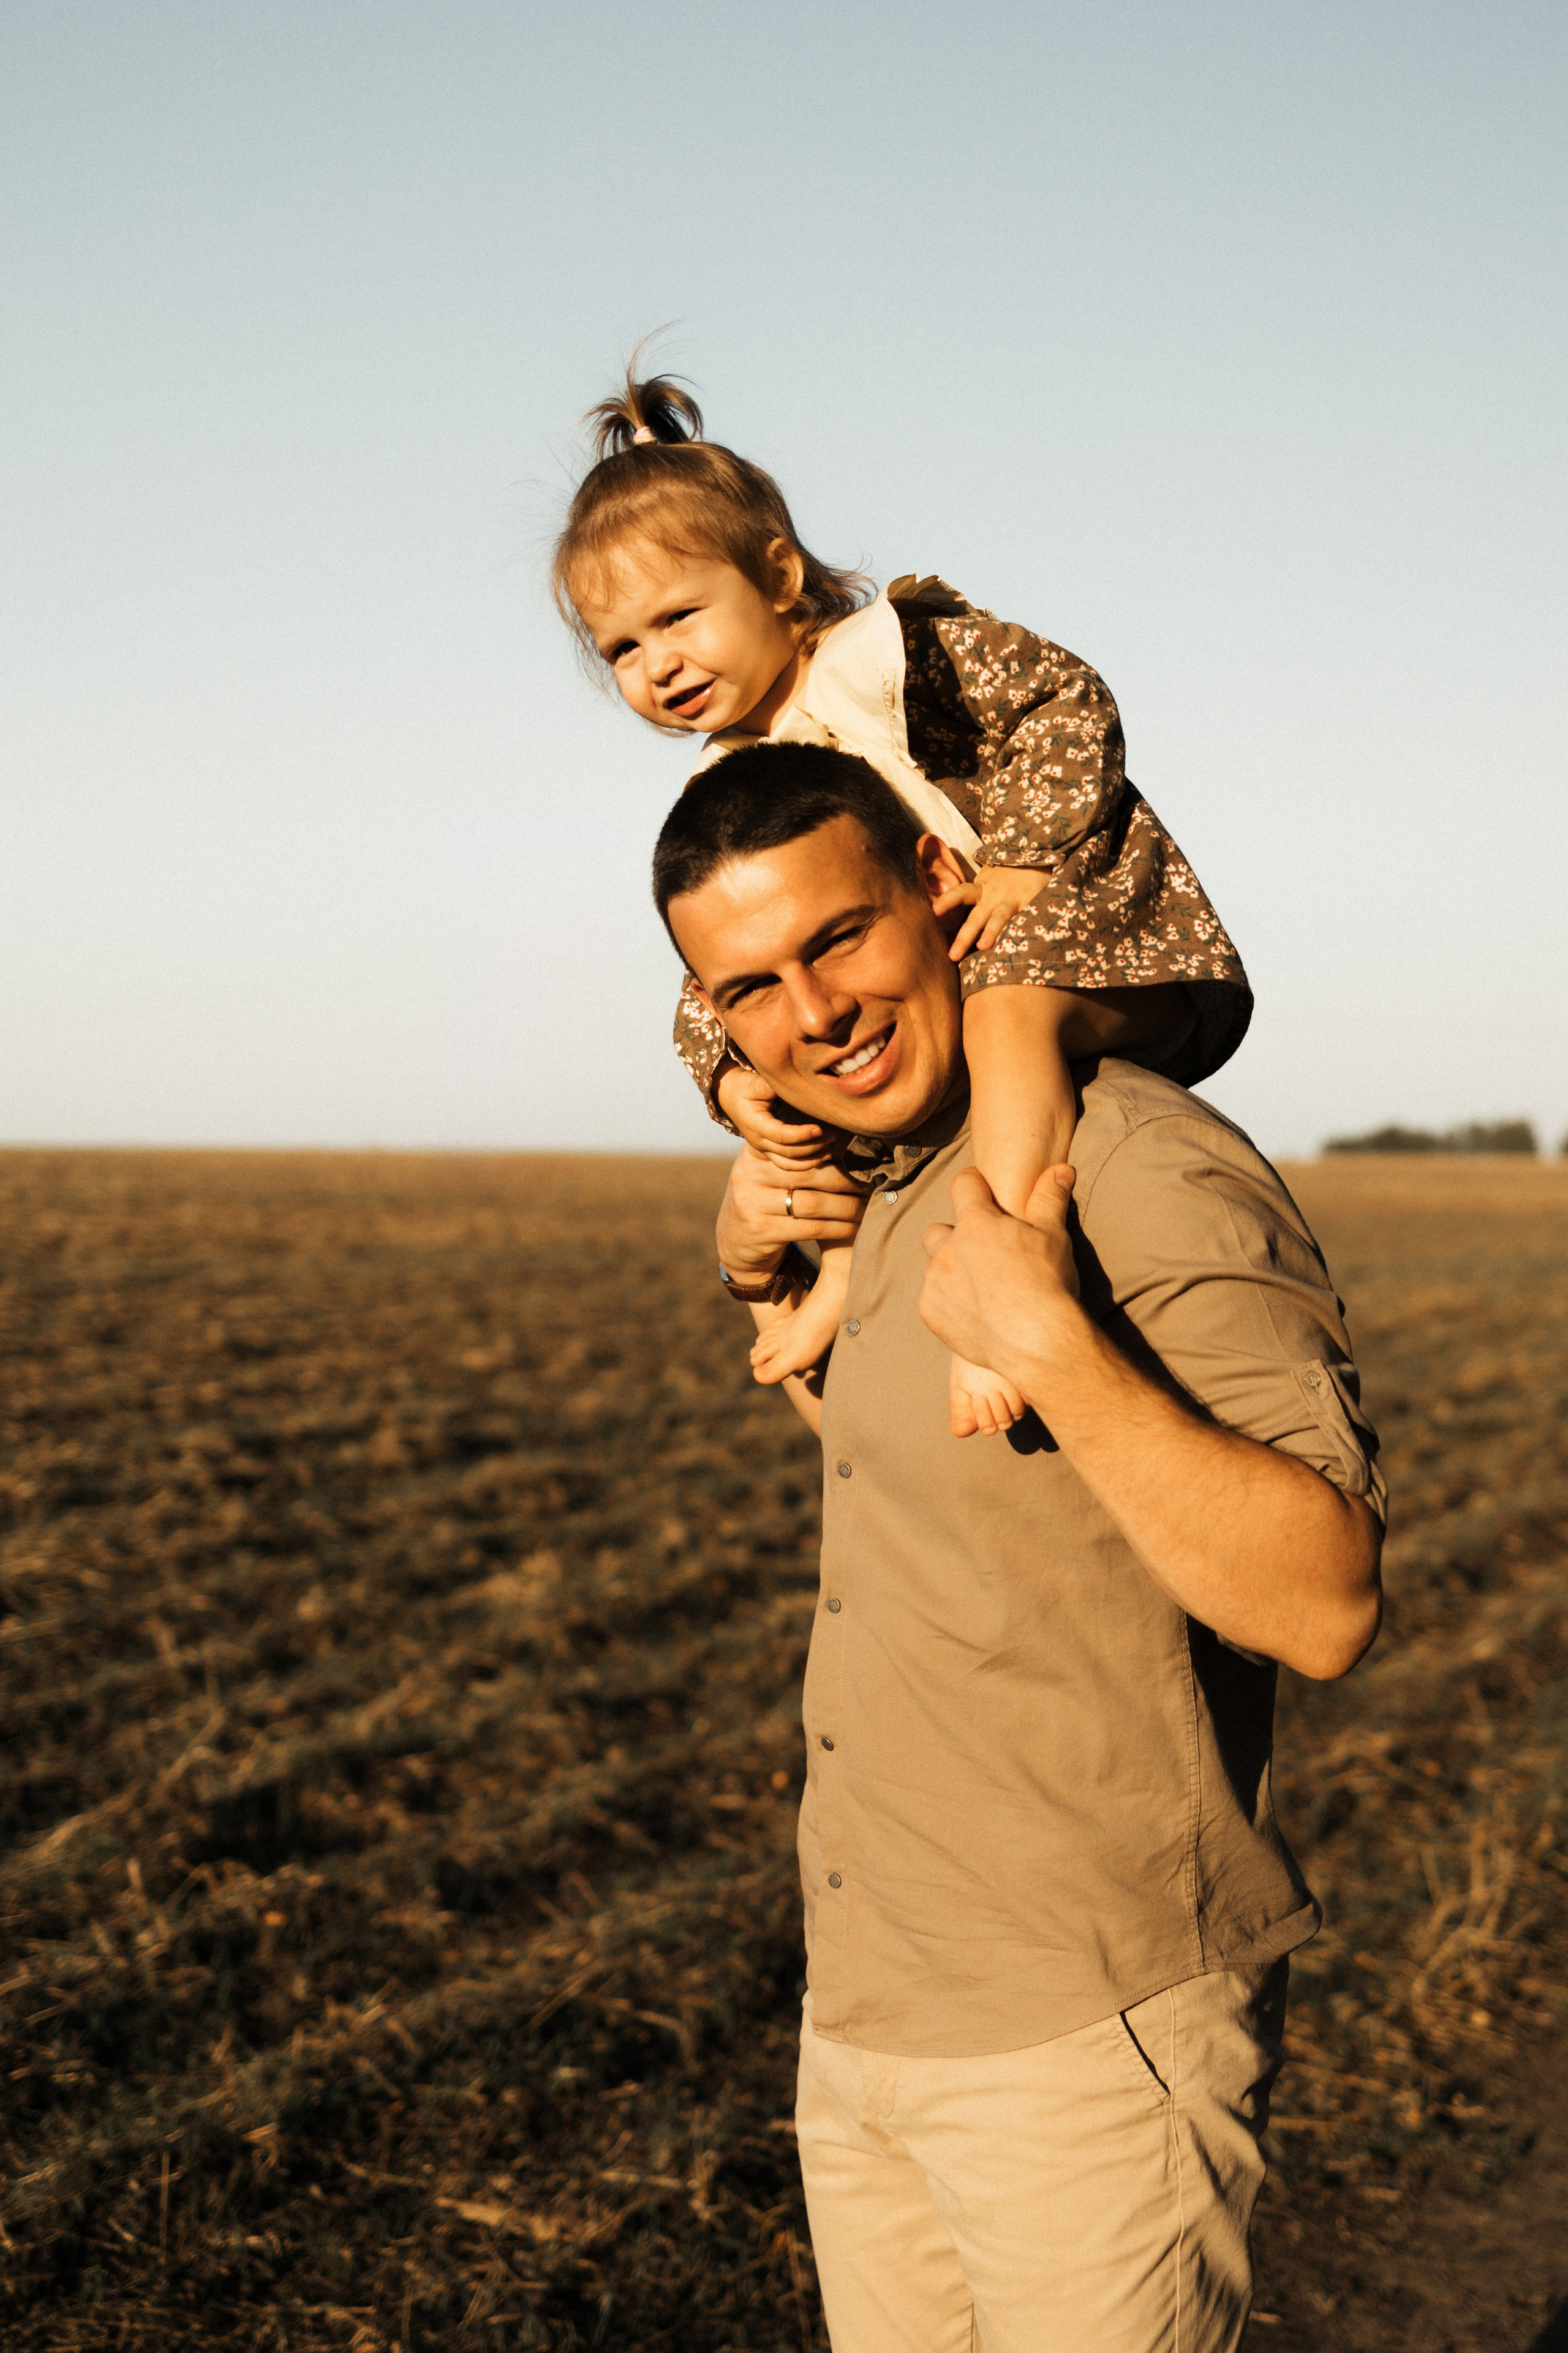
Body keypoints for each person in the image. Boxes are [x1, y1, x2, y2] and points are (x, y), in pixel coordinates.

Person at [653, 741, 1385, 2353]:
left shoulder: (1139, 1170)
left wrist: (1054, 1342)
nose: (814, 1014)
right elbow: (944, 1507)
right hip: (870, 2013)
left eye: (837, 939)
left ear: (938, 888)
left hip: (1090, 2033)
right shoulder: (892, 1191)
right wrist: (770, 1291)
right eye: (752, 988)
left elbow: (1327, 1601)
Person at [553, 364, 1249, 1437]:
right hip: (950, 982)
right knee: (798, 1069)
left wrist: (1024, 853)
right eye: (625, 651)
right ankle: (842, 1274)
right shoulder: (735, 786)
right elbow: (718, 977)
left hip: (1092, 930)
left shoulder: (892, 657)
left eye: (678, 617)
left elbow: (1067, 698)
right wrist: (730, 1085)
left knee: (1004, 1013)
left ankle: (1011, 1281)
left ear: (779, 574)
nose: (659, 666)